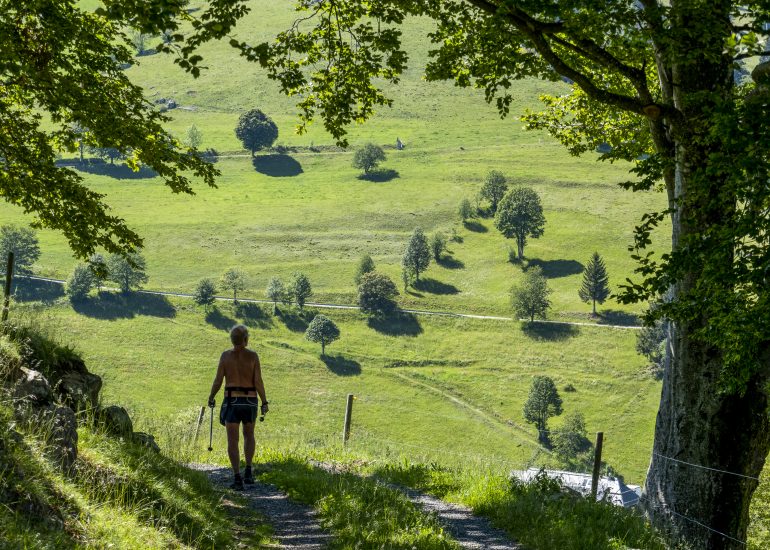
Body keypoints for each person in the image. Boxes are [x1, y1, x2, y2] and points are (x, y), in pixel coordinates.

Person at [208, 324, 268, 490]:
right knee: (249, 435)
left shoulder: (225, 356)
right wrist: (264, 402)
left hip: (231, 401)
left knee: (232, 440)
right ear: (246, 339)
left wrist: (211, 397)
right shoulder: (253, 356)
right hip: (250, 401)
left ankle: (237, 477)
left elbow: (218, 381)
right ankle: (248, 470)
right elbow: (258, 382)